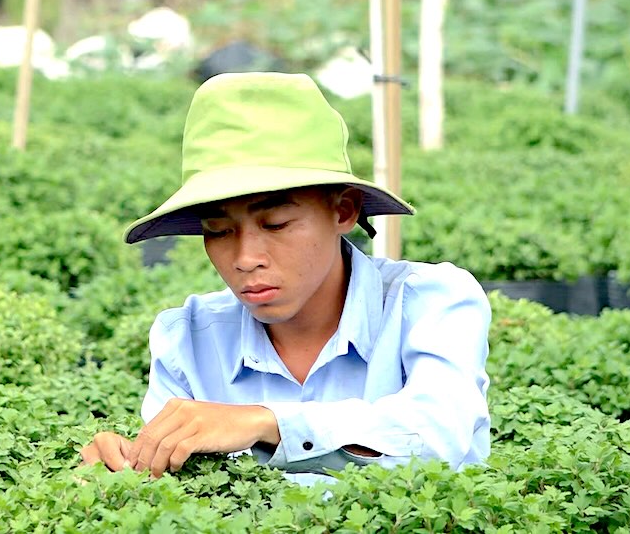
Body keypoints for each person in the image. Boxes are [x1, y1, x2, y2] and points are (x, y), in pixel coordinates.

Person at [80, 72, 491, 485]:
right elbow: (174, 492)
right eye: (219, 231)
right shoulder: (186, 338)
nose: (245, 258)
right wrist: (123, 468)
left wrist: (267, 423)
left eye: (275, 223)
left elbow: (439, 437)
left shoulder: (432, 303)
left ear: (344, 211)